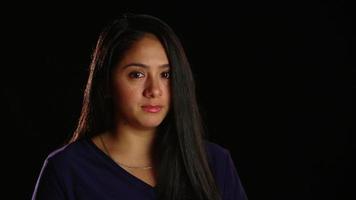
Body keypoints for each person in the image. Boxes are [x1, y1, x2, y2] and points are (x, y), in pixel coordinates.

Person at [31, 13, 248, 200]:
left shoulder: (215, 163)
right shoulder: (67, 170)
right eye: (137, 74)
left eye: (166, 75)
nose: (154, 90)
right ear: (106, 83)